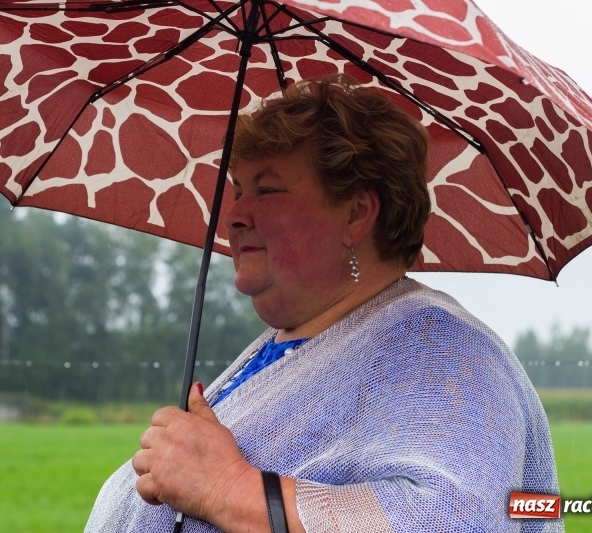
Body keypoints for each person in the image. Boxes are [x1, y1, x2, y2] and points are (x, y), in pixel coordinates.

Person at [85, 74, 563, 533]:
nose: (232, 216)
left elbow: (457, 521)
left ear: (355, 214)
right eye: (236, 190)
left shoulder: (444, 353)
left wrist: (228, 489)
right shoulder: (289, 342)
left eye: (266, 189)